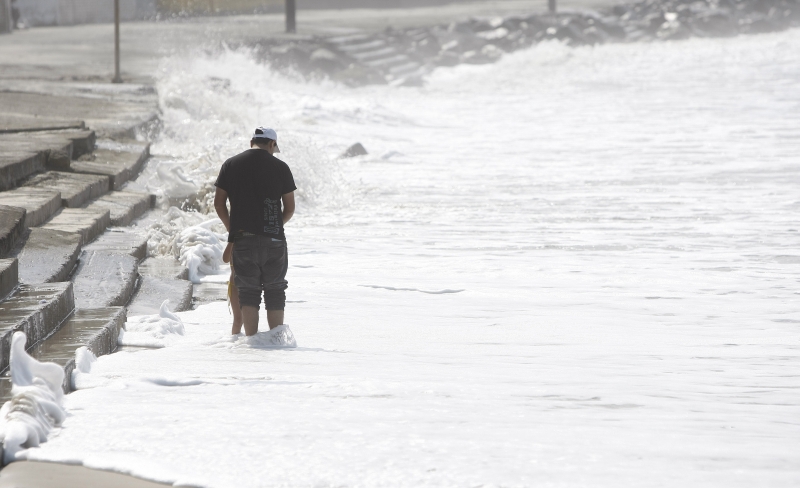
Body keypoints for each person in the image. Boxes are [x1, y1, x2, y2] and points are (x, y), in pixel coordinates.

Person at [214, 127, 296, 337]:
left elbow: (219, 203)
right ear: (272, 144)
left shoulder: (231, 164)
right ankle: (277, 341)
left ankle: (253, 345)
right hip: (274, 240)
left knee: (249, 292)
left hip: (243, 239)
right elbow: (289, 208)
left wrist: (232, 228)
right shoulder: (281, 167)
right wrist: (273, 226)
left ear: (252, 142)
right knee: (275, 291)